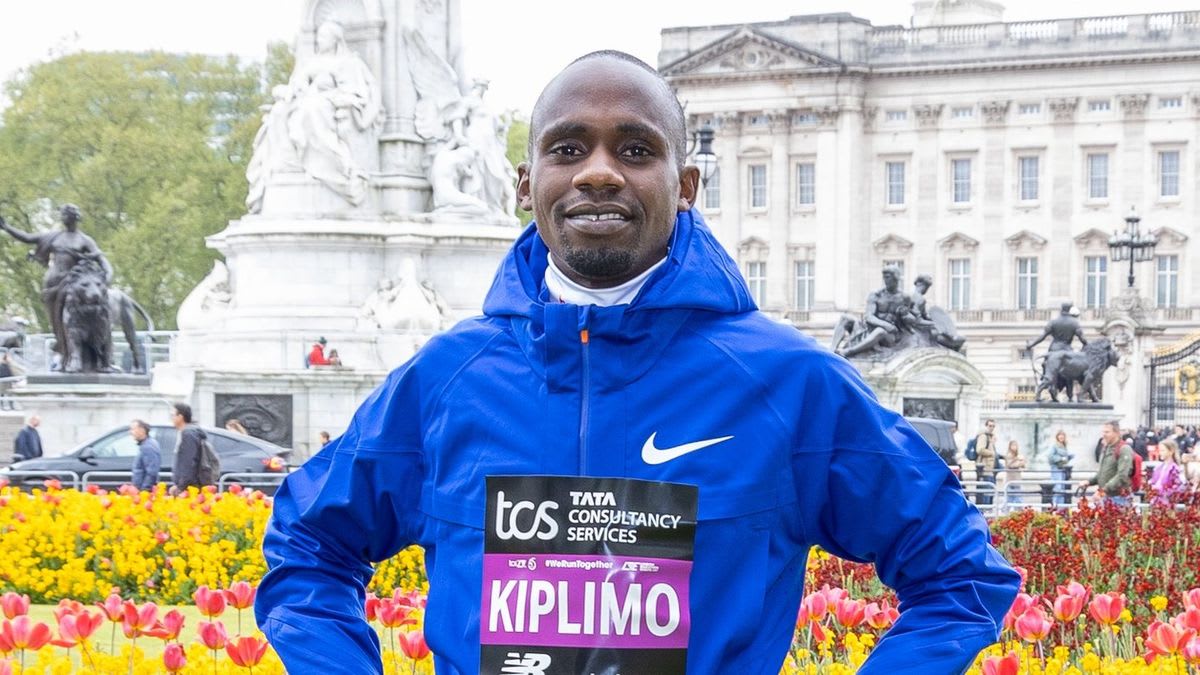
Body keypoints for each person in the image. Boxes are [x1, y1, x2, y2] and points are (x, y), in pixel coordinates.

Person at [255, 50, 1019, 675]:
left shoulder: (791, 382)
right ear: (526, 185)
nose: (597, 171)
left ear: (684, 186)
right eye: (566, 147)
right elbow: (308, 547)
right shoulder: (443, 380)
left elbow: (960, 576)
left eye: (635, 148)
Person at [0, 205, 114, 363]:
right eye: (62, 215)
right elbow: (27, 237)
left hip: (71, 285)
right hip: (51, 284)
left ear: (74, 217)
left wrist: (107, 277)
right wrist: (6, 227)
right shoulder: (54, 236)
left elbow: (102, 260)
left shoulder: (84, 240)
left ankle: (76, 356)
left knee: (69, 320)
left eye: (66, 214)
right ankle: (65, 353)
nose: (63, 217)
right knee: (55, 322)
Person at [1082, 420, 1135, 506]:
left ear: (1116, 433)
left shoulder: (1124, 449)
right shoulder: (1107, 448)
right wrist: (1089, 482)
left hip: (1119, 498)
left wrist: (1102, 491)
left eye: (1107, 432)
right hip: (1107, 496)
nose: (1103, 434)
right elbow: (1103, 472)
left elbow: (1122, 475)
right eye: (1103, 432)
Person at [170, 402, 210, 492]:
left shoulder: (188, 434)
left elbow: (189, 461)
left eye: (173, 415)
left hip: (190, 488)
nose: (171, 418)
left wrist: (181, 486)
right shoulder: (186, 432)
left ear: (180, 417)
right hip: (187, 485)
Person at [1149, 439, 1185, 506]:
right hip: (1155, 501)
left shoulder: (1175, 468)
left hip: (1167, 503)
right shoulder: (1158, 467)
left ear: (1171, 451)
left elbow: (1179, 486)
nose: (1160, 453)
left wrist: (1167, 494)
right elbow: (1153, 482)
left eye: (1163, 450)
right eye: (1159, 450)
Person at [129, 419, 161, 492]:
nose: (130, 432)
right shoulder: (146, 444)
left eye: (133, 429)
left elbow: (152, 472)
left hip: (145, 492)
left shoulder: (148, 446)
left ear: (142, 430)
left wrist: (145, 490)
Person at [973, 419, 998, 505]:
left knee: (990, 492)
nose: (992, 428)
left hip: (990, 468)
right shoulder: (983, 436)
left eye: (993, 426)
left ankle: (988, 510)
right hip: (984, 468)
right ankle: (985, 511)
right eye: (990, 426)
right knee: (986, 493)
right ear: (986, 426)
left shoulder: (991, 437)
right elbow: (979, 449)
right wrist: (991, 453)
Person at [1048, 429, 1073, 506]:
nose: (1061, 437)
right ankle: (1054, 505)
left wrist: (1069, 457)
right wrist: (1060, 458)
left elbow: (1065, 458)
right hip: (1056, 469)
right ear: (1057, 437)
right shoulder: (1055, 446)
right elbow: (1050, 457)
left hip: (1063, 469)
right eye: (1060, 435)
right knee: (1057, 487)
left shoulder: (1064, 446)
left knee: (1062, 488)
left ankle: (1061, 507)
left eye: (1063, 436)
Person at [1001, 440, 1027, 505]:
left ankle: (1016, 512)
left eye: (1016, 445)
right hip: (1011, 480)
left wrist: (1022, 461)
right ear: (1010, 446)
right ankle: (1006, 511)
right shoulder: (1009, 455)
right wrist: (1019, 461)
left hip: (1016, 480)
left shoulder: (1018, 455)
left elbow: (1023, 465)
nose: (1014, 447)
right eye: (1013, 445)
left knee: (1016, 498)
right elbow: (1011, 465)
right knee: (1010, 498)